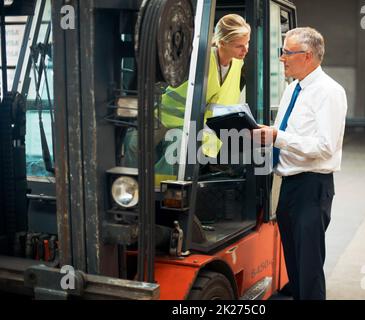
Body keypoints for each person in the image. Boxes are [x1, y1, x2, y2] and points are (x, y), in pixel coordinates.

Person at [253, 27, 347, 300]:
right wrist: (268, 133)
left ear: (306, 56)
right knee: (293, 262)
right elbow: (290, 131)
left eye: (286, 52)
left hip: (312, 187)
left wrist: (277, 137)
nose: (281, 58)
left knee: (309, 268)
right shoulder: (293, 88)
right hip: (289, 185)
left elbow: (325, 146)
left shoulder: (329, 92)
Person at [124, 14, 251, 182]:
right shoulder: (198, 59)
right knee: (133, 142)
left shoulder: (238, 66)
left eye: (247, 43)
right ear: (222, 42)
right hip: (166, 116)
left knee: (178, 152)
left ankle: (157, 190)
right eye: (239, 46)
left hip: (201, 126)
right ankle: (133, 186)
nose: (245, 49)